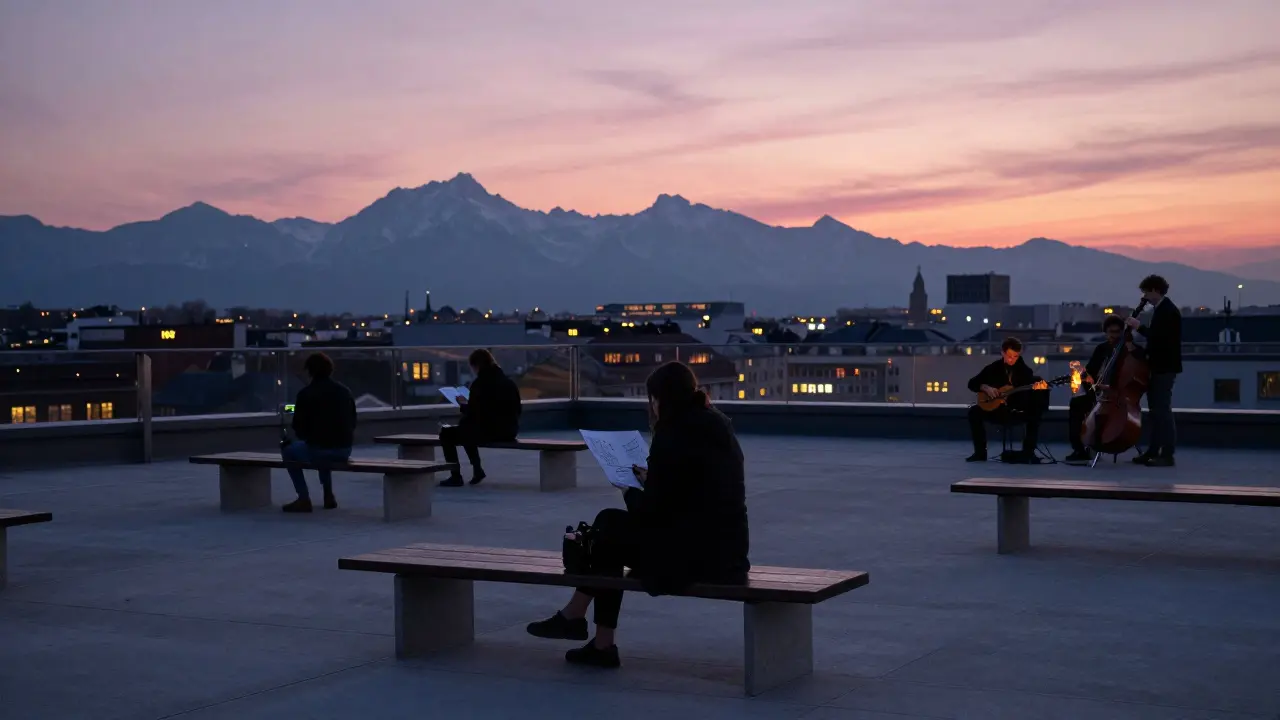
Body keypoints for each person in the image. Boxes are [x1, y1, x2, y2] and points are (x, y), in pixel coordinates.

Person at [524, 361, 750, 669]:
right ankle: (585, 628)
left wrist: (627, 489)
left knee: (607, 529)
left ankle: (585, 627)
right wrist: (651, 478)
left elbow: (654, 513)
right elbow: (688, 490)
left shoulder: (673, 434)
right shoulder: (715, 423)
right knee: (609, 529)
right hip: (726, 549)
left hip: (696, 557)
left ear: (660, 399)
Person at [281, 352, 357, 513]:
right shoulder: (345, 391)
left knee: (289, 451)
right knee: (321, 446)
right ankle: (328, 494)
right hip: (344, 450)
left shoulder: (305, 394)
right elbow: (353, 421)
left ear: (310, 371)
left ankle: (303, 498)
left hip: (319, 449)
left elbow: (299, 428)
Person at [1064, 315, 1144, 464]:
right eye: (1111, 332)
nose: (1114, 336)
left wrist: (1129, 345)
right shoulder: (1101, 348)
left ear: (1123, 332)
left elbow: (1141, 360)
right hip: (1100, 395)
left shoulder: (1131, 350)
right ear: (1105, 333)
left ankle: (1106, 441)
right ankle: (1079, 449)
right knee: (1076, 404)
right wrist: (1090, 383)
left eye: (1117, 332)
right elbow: (1090, 372)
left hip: (1119, 398)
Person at [439, 348, 522, 487]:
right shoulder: (508, 382)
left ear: (476, 366)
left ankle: (456, 475)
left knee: (447, 433)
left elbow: (474, 413)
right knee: (467, 429)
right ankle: (477, 469)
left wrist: (462, 404)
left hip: (491, 432)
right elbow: (517, 410)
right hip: (510, 430)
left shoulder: (481, 384)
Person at [1125, 274, 1183, 466]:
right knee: (1156, 411)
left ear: (1155, 290)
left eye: (1147, 292)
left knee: (1162, 411)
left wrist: (1138, 327)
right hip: (1158, 366)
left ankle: (1167, 454)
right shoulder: (1163, 309)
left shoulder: (1168, 311)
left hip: (1164, 367)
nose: (1145, 297)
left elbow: (1160, 339)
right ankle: (1153, 450)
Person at [966, 337, 1050, 463]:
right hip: (996, 409)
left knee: (1035, 413)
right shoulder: (993, 368)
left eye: (1015, 356)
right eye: (1009, 356)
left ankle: (1028, 452)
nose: (1012, 360)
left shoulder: (1026, 371)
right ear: (1002, 353)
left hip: (1015, 410)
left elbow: (1027, 396)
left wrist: (1036, 389)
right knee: (974, 412)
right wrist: (984, 387)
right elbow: (972, 383)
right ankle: (980, 452)